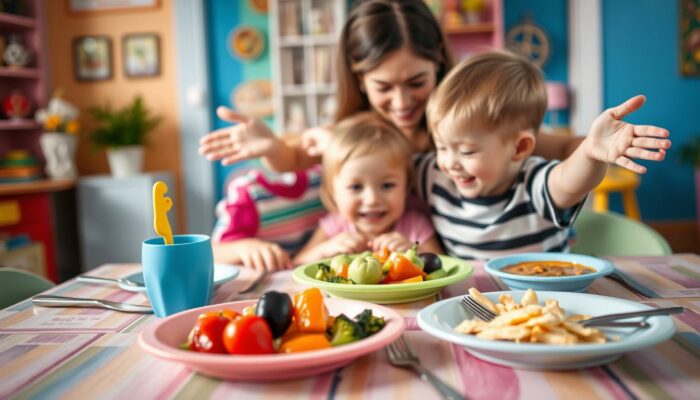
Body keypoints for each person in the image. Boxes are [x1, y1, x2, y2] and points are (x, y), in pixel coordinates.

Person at [413, 50, 671, 259]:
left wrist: (590, 153)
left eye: (467, 151)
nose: (449, 163)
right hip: (471, 303)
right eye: (441, 147)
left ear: (519, 148)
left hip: (545, 306)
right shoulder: (434, 175)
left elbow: (569, 181)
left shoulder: (533, 182)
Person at [293, 112, 442, 264]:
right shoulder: (335, 226)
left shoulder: (415, 226)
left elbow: (442, 267)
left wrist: (414, 252)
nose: (372, 200)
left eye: (387, 185)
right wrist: (325, 250)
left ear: (406, 187)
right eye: (355, 187)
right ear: (334, 192)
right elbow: (298, 263)